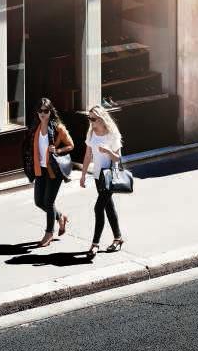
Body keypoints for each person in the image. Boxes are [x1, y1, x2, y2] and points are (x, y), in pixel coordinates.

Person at [25, 98, 74, 247]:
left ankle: (49, 233)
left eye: (45, 111)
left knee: (48, 201)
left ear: (50, 111)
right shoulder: (36, 128)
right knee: (39, 201)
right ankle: (60, 217)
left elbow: (71, 145)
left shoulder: (58, 128)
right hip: (40, 169)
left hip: (54, 169)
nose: (42, 114)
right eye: (40, 111)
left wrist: (58, 150)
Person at [80, 105, 124, 259]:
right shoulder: (91, 133)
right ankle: (118, 238)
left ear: (101, 118)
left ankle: (94, 244)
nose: (90, 121)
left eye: (93, 118)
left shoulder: (112, 134)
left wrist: (107, 151)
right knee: (108, 207)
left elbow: (118, 158)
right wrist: (83, 175)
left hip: (110, 176)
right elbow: (87, 155)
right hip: (98, 176)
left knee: (98, 208)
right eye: (89, 118)